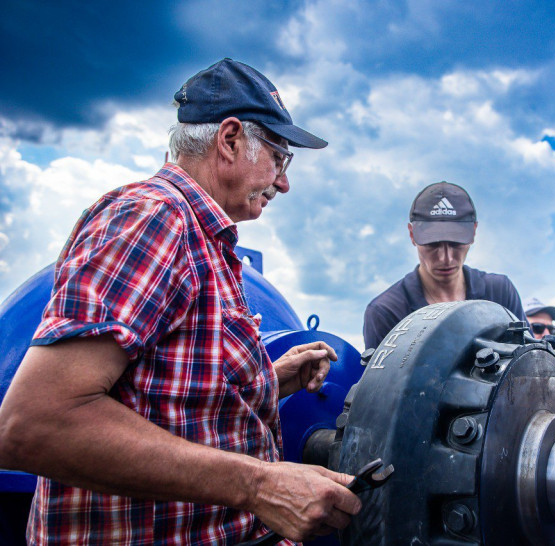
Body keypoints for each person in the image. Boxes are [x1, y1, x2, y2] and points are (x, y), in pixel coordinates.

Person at [0, 59, 361, 545]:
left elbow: (164, 399)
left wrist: (267, 384)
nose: (283, 182)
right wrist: (260, 486)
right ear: (230, 140)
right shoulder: (152, 219)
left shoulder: (205, 240)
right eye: (279, 157)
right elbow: (34, 424)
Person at [363, 181, 525, 349]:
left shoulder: (499, 292)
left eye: (456, 243)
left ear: (474, 232)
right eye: (432, 244)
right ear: (412, 235)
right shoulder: (386, 311)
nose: (445, 258)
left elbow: (533, 364)